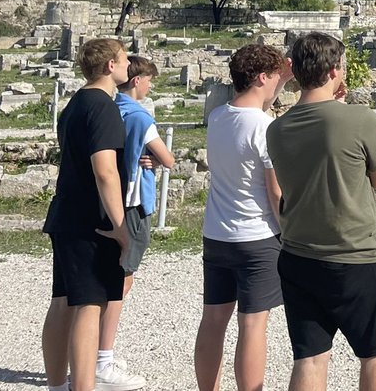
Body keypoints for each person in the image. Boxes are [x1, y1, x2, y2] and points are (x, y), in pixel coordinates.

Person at [267, 32, 376, 391]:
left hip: (298, 253)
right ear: (333, 71)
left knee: (310, 358)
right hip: (356, 254)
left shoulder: (277, 129)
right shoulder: (359, 119)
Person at [194, 43, 293, 391]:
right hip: (257, 236)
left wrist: (281, 79)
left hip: (217, 233)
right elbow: (275, 191)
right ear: (263, 76)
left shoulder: (219, 116)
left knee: (214, 320)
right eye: (276, 76)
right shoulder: (265, 127)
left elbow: (257, 104)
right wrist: (288, 234)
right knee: (252, 325)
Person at [40, 38, 132, 391]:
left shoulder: (75, 103)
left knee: (62, 299)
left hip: (65, 212)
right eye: (124, 59)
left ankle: (56, 384)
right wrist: (121, 226)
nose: (128, 65)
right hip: (91, 219)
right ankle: (83, 385)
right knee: (89, 304)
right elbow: (104, 170)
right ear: (110, 65)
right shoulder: (104, 107)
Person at [94, 55, 175, 391]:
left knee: (108, 276)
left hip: (106, 203)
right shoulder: (141, 117)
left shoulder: (112, 109)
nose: (150, 85)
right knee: (121, 281)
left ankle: (96, 352)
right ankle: (102, 359)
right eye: (149, 80)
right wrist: (154, 157)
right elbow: (168, 159)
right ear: (138, 80)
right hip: (133, 203)